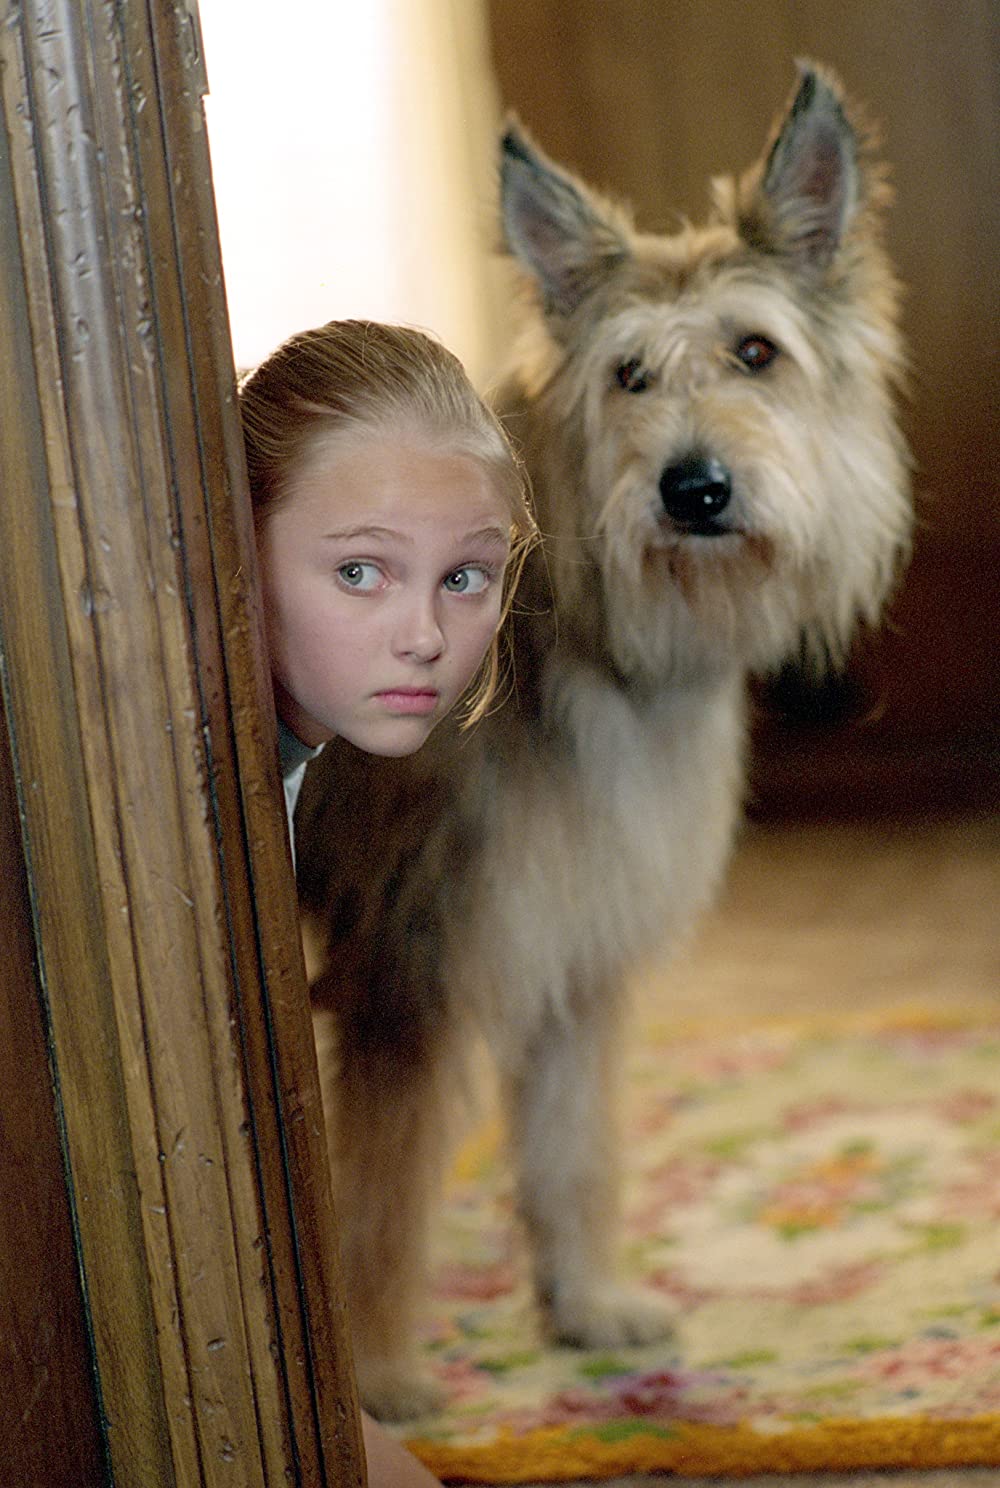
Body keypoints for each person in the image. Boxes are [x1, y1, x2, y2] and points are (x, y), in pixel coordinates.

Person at [239, 319, 536, 1486]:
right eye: (359, 570)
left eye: (465, 577)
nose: (423, 635)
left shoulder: (303, 740)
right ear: (236, 540)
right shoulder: (202, 771)